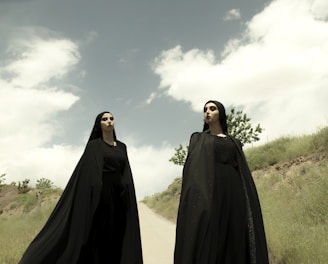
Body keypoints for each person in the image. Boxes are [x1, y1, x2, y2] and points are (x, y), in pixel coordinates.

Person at [19, 111, 143, 264]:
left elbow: (126, 172)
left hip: (119, 196)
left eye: (111, 118)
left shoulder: (122, 147)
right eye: (105, 119)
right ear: (99, 124)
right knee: (99, 233)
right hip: (100, 195)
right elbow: (88, 173)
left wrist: (127, 193)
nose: (109, 121)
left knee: (117, 232)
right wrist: (95, 191)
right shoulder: (94, 146)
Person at [174, 100, 269, 264]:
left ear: (221, 113)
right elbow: (193, 168)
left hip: (235, 192)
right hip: (211, 191)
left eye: (212, 109)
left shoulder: (235, 142)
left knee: (237, 233)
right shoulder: (198, 139)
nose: (207, 112)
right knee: (213, 235)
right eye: (205, 109)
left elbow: (242, 171)